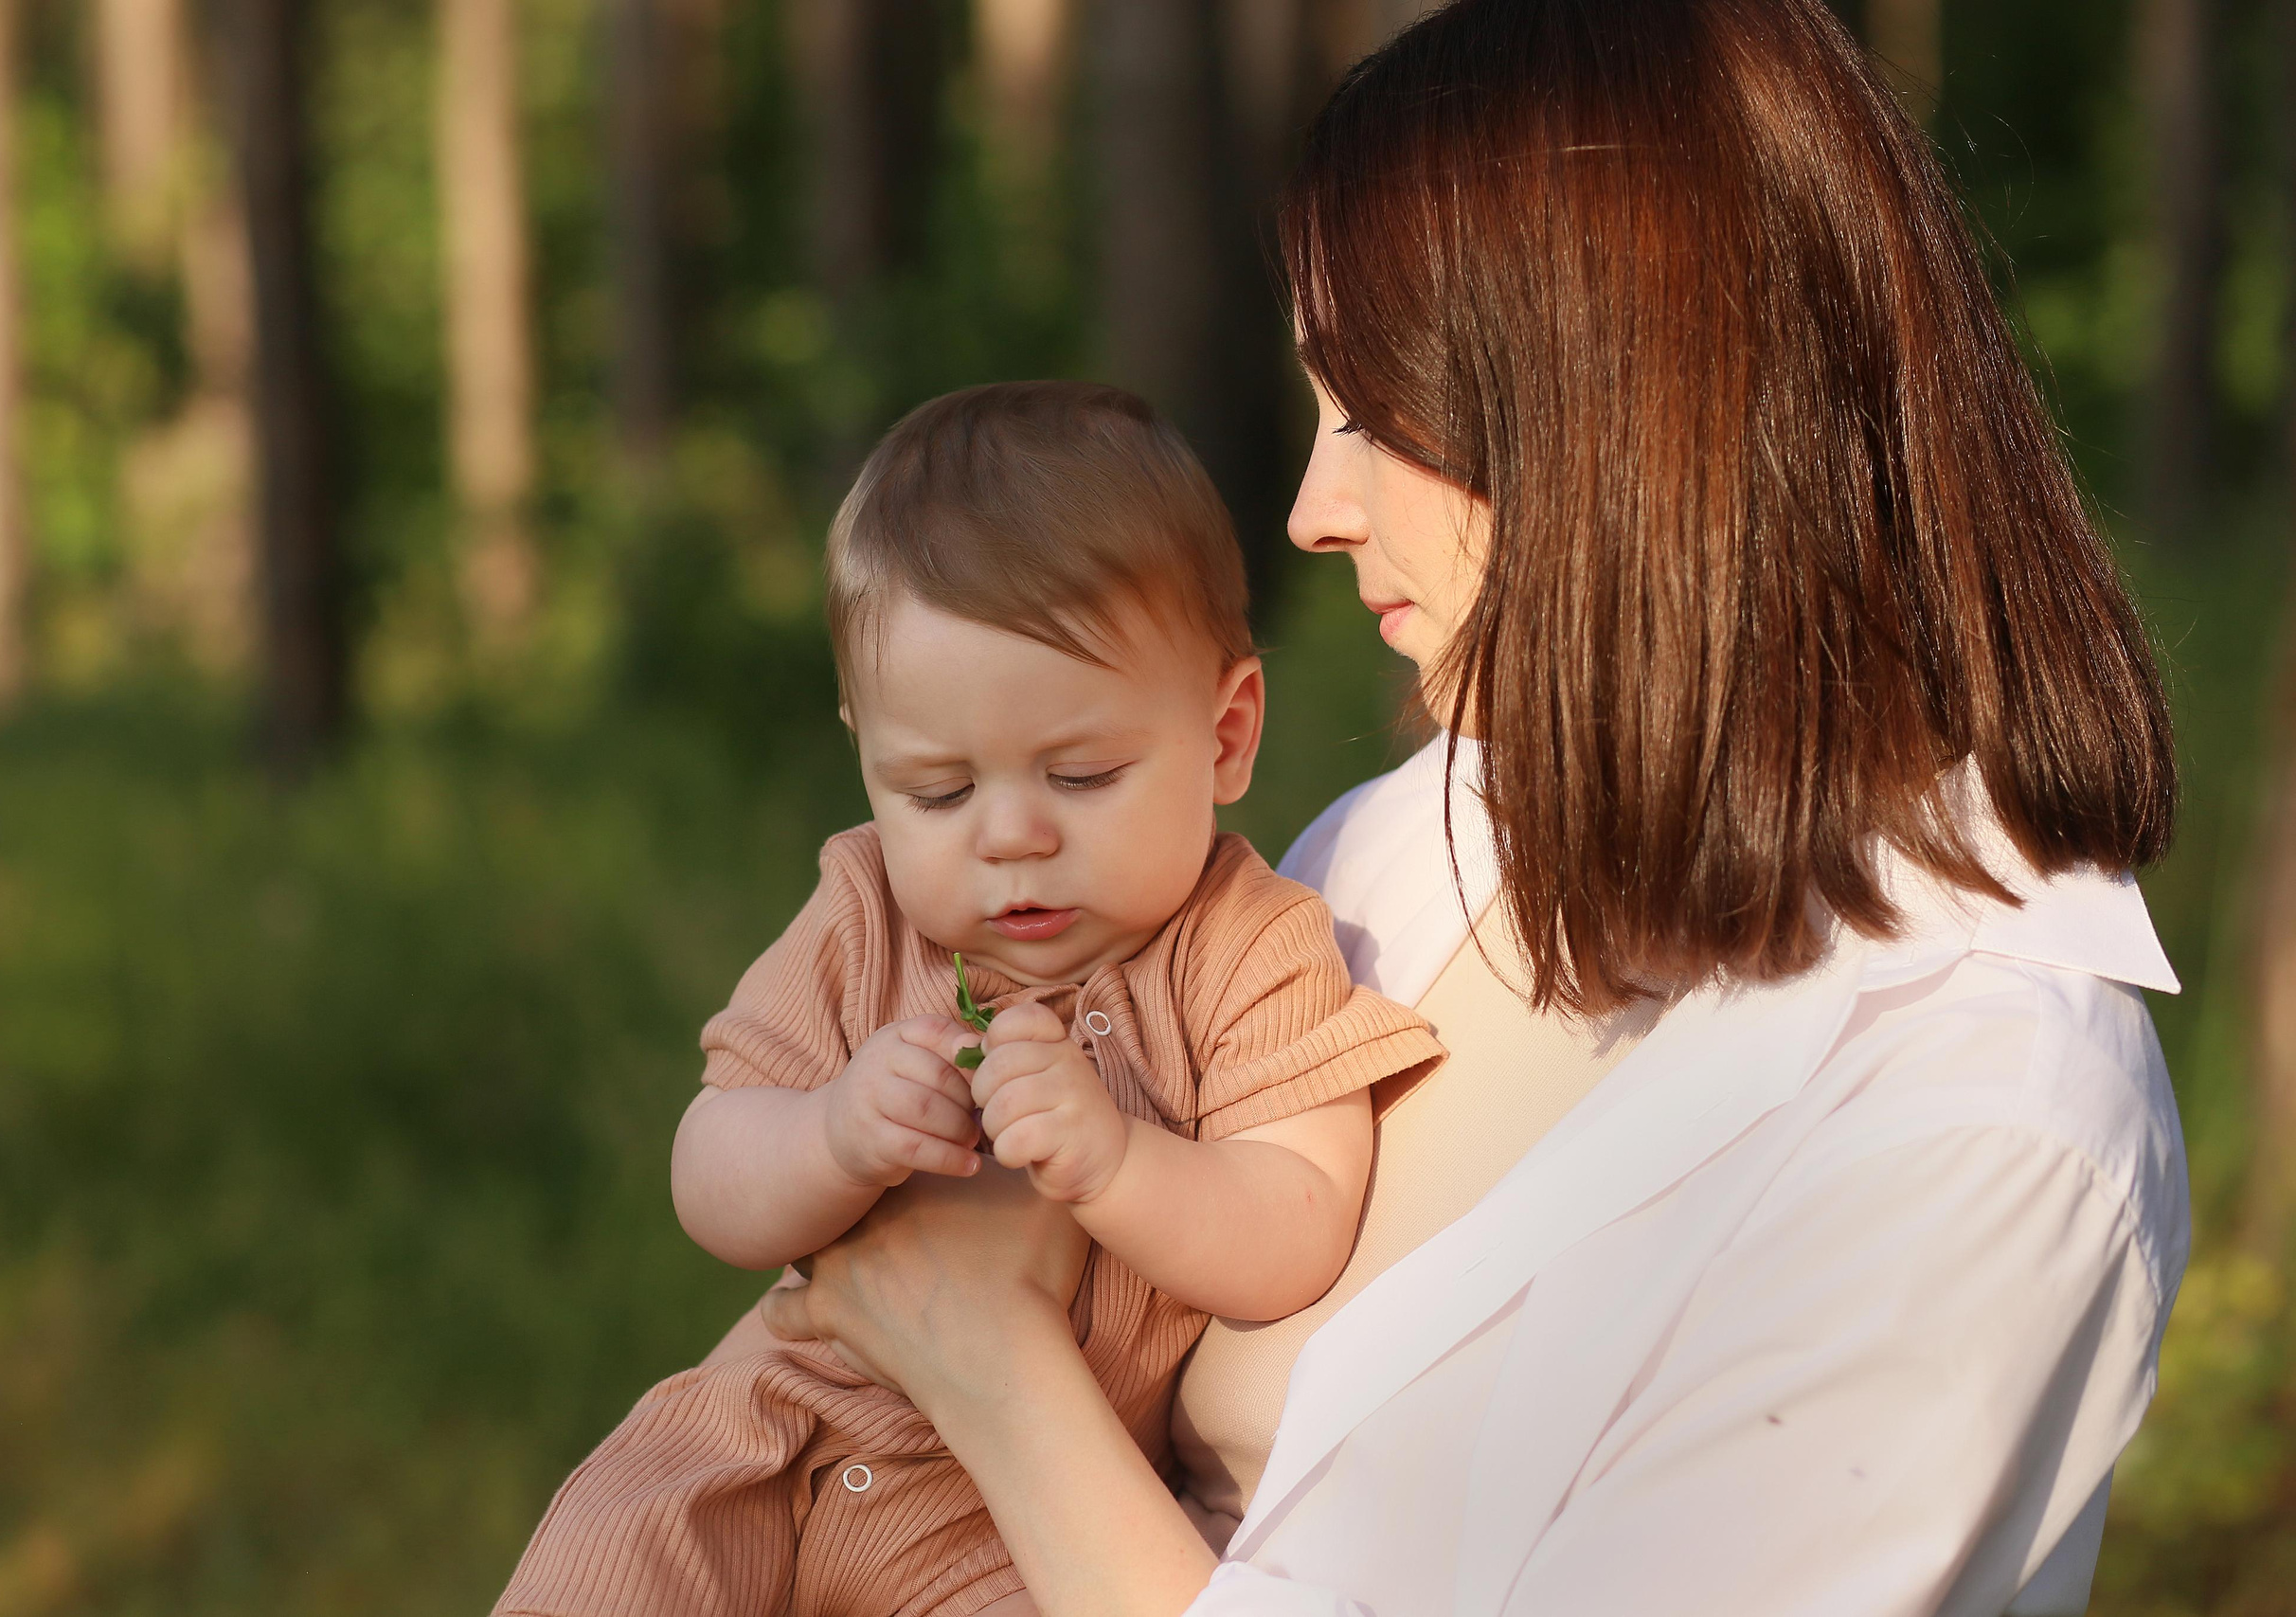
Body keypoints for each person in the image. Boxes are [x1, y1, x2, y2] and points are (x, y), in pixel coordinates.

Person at [754, 2, 2190, 1613]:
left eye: (1368, 414)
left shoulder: (1976, 1128)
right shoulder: (1409, 844)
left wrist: (985, 1371)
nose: (1311, 509)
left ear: (1615, 414)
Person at [491, 382, 1444, 1617]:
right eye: (937, 793)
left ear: (1226, 735)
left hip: (999, 1520)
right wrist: (830, 1130)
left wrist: (1116, 1165)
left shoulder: (1246, 947)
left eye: (1082, 774)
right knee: (600, 1569)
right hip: (764, 1441)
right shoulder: (864, 911)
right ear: (867, 761)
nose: (1009, 839)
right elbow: (710, 1169)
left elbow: (1299, 1221)